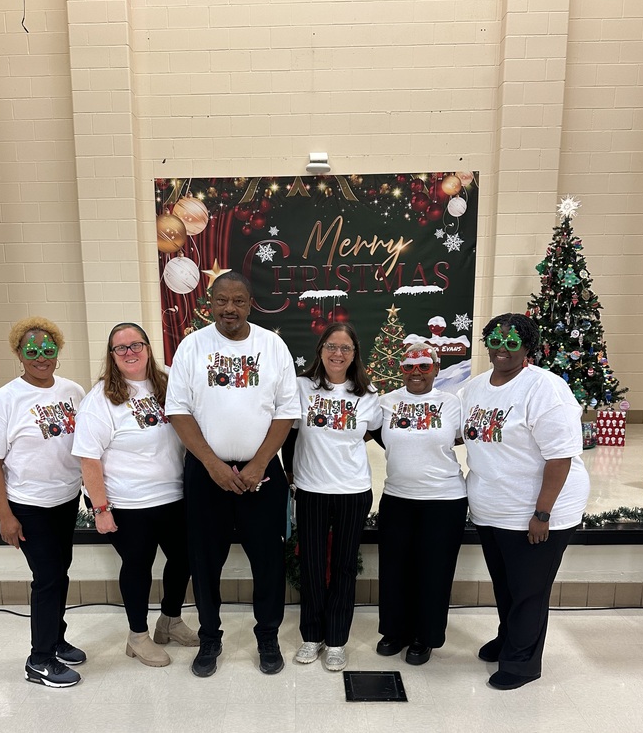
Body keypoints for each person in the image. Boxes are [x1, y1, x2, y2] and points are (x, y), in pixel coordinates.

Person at [166, 271, 298, 677]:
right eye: (221, 300)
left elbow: (286, 412)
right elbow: (178, 411)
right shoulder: (193, 346)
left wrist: (259, 463)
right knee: (204, 563)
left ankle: (268, 637)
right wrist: (212, 465)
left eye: (238, 300)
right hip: (208, 475)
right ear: (210, 303)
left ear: (250, 302)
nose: (229, 309)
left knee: (268, 562)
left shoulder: (272, 346)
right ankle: (209, 639)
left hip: (262, 476)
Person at [459, 313, 590, 689]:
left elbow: (560, 455)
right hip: (492, 509)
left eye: (512, 342)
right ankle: (508, 639)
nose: (502, 349)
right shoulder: (475, 388)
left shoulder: (544, 388)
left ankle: (522, 663)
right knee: (506, 584)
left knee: (529, 590)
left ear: (528, 346)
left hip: (537, 511)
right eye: (495, 341)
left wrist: (542, 513)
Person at [72, 322, 197, 668]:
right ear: (111, 355)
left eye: (136, 345)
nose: (130, 353)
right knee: (138, 566)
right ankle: (137, 637)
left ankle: (169, 621)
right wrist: (101, 508)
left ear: (148, 347)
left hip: (172, 495)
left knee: (185, 558)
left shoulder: (167, 382)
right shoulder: (100, 399)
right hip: (127, 503)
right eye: (121, 348)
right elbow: (88, 457)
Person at [0, 317, 86, 688]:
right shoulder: (4, 400)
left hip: (66, 499)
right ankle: (39, 660)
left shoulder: (72, 391)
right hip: (28, 505)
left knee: (59, 571)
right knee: (47, 578)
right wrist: (5, 515)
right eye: (31, 350)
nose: (41, 357)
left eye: (48, 349)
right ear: (18, 353)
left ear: (58, 351)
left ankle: (55, 639)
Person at [283, 323, 381, 671]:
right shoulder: (301, 387)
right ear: (320, 349)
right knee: (311, 567)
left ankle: (337, 640)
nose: (337, 354)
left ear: (355, 354)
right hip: (311, 491)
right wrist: (291, 475)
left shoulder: (367, 395)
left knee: (342, 569)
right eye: (331, 346)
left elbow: (370, 435)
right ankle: (312, 637)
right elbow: (288, 435)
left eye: (345, 348)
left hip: (353, 492)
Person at [376, 343, 468, 665]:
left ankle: (424, 637)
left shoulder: (452, 403)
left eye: (424, 366)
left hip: (443, 500)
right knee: (394, 569)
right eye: (409, 367)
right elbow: (372, 434)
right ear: (401, 369)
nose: (416, 372)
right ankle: (394, 631)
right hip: (397, 497)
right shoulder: (386, 403)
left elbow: (464, 437)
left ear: (436, 368)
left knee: (434, 572)